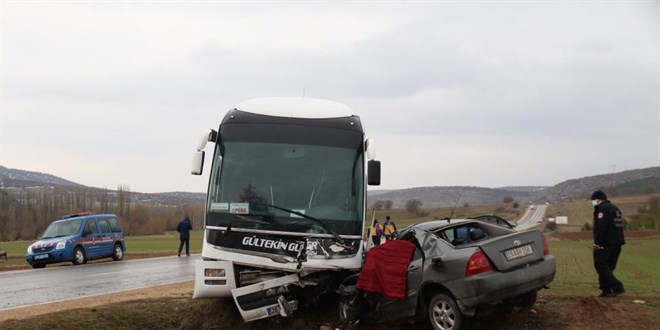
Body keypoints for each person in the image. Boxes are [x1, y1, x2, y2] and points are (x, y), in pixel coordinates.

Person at [590, 190, 625, 298]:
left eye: (593, 200)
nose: (592, 203)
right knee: (608, 267)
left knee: (600, 264)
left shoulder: (602, 209)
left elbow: (602, 227)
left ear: (598, 199)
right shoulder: (615, 208)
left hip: (606, 243)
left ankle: (617, 286)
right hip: (617, 242)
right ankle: (606, 290)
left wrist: (597, 243)